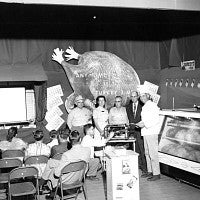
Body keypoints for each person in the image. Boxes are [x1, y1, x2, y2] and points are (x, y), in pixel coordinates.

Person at [39, 130, 91, 199]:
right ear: (80, 139)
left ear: (69, 140)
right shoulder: (88, 150)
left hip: (67, 180)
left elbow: (57, 174)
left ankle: (46, 188)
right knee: (51, 162)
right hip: (79, 177)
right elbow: (75, 160)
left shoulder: (66, 155)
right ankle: (45, 187)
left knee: (52, 171)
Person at [135, 85, 161, 181]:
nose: (142, 98)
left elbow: (155, 120)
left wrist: (144, 124)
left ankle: (156, 173)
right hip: (146, 132)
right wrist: (140, 124)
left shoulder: (153, 105)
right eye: (140, 96)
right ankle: (150, 171)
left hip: (152, 132)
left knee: (153, 153)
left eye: (143, 96)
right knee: (147, 153)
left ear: (148, 96)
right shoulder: (145, 106)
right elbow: (146, 120)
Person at [126, 91, 147, 174]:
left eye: (135, 96)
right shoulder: (128, 107)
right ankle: (136, 166)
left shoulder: (143, 106)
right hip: (132, 131)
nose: (133, 98)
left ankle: (144, 168)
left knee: (142, 149)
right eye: (132, 96)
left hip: (140, 131)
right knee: (134, 150)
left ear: (138, 97)